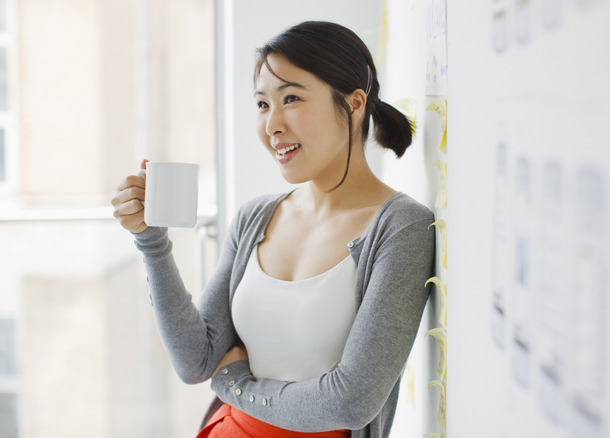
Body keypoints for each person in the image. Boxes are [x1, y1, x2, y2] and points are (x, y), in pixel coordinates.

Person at [111, 21, 436, 438]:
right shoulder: (255, 218)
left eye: (292, 98)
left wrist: (236, 386)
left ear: (355, 104)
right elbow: (197, 360)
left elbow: (351, 403)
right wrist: (150, 240)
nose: (272, 125)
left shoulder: (399, 227)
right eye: (263, 105)